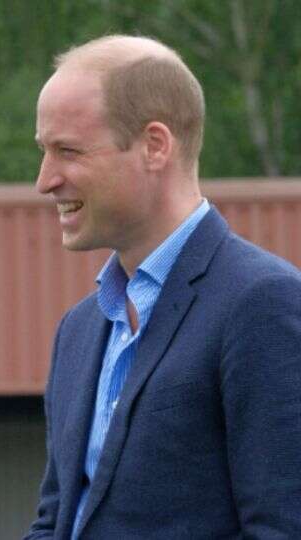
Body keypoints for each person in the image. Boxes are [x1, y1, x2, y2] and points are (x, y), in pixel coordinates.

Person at [27, 35, 301, 539]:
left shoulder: (263, 305)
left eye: (68, 151)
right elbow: (56, 522)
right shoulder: (79, 331)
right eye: (44, 152)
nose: (45, 180)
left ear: (155, 145)